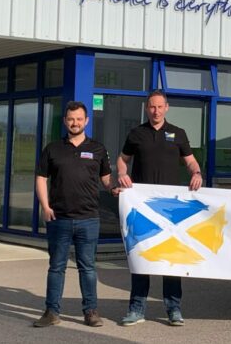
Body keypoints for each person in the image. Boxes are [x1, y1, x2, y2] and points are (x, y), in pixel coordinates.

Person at [118, 90, 203, 327]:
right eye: (151, 107)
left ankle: (173, 309)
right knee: (140, 257)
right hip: (141, 206)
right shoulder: (136, 134)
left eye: (159, 107)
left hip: (169, 208)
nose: (155, 111)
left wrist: (196, 173)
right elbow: (122, 159)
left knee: (171, 258)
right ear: (147, 109)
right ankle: (136, 309)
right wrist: (122, 174)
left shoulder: (178, 133)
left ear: (167, 107)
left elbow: (191, 161)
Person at [34, 101, 119, 328]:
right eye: (71, 119)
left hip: (89, 218)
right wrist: (45, 205)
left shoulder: (98, 149)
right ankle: (51, 312)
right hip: (59, 218)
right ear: (65, 121)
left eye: (79, 119)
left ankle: (91, 312)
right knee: (56, 267)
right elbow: (41, 178)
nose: (75, 123)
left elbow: (106, 179)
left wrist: (116, 188)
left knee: (88, 267)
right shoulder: (52, 149)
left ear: (86, 120)